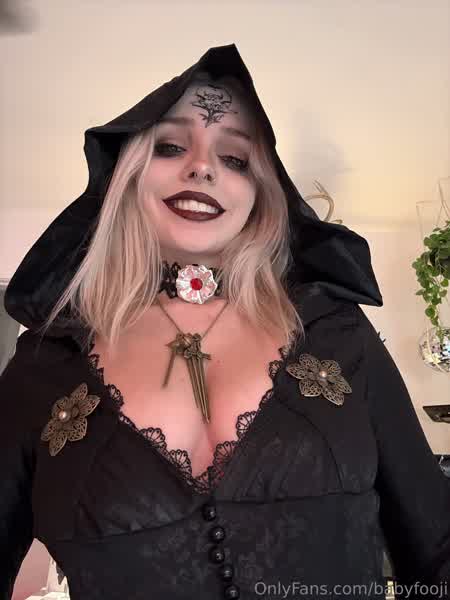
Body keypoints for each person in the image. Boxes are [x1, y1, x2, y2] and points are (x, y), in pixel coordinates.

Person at [1, 43, 449, 600]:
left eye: (236, 159)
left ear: (260, 192)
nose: (203, 167)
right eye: (170, 146)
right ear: (126, 174)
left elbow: (435, 550)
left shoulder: (337, 335)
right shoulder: (45, 367)